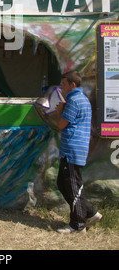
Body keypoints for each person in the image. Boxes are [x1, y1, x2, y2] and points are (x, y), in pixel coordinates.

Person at [55, 70, 102, 234]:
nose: (62, 87)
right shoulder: (82, 99)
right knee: (63, 183)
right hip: (74, 148)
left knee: (73, 186)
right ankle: (90, 212)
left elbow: (61, 124)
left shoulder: (73, 100)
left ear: (72, 84)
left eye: (63, 84)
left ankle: (77, 224)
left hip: (72, 149)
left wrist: (60, 111)